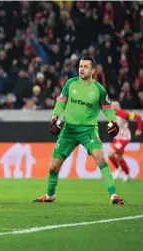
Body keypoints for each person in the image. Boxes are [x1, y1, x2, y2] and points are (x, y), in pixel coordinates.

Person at [33, 56, 124, 205]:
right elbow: (61, 102)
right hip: (68, 130)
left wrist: (113, 121)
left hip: (88, 130)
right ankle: (50, 195)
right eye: (80, 66)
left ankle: (113, 195)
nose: (82, 69)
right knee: (53, 167)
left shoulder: (99, 89)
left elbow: (107, 109)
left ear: (93, 70)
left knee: (100, 158)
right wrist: (55, 117)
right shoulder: (71, 84)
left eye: (86, 66)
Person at [108, 101, 142, 182]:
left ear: (119, 106)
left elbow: (138, 117)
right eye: (113, 106)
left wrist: (139, 130)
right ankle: (128, 175)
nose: (114, 107)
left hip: (124, 138)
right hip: (117, 138)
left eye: (116, 105)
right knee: (119, 157)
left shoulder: (124, 114)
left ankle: (117, 169)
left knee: (110, 154)